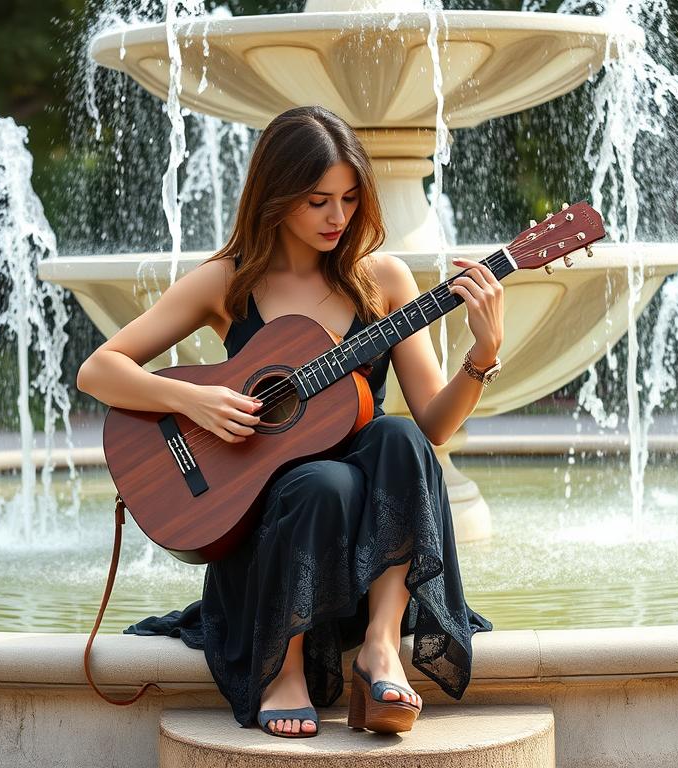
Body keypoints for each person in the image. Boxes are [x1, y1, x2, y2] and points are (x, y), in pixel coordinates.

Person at [75, 105, 503, 738]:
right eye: (318, 201)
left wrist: (482, 356)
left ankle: (382, 648)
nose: (338, 217)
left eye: (351, 199)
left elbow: (436, 423)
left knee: (399, 435)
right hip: (274, 539)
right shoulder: (229, 282)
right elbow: (99, 371)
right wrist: (193, 401)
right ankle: (285, 668)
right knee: (318, 482)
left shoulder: (380, 278)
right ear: (275, 198)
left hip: (368, 547)